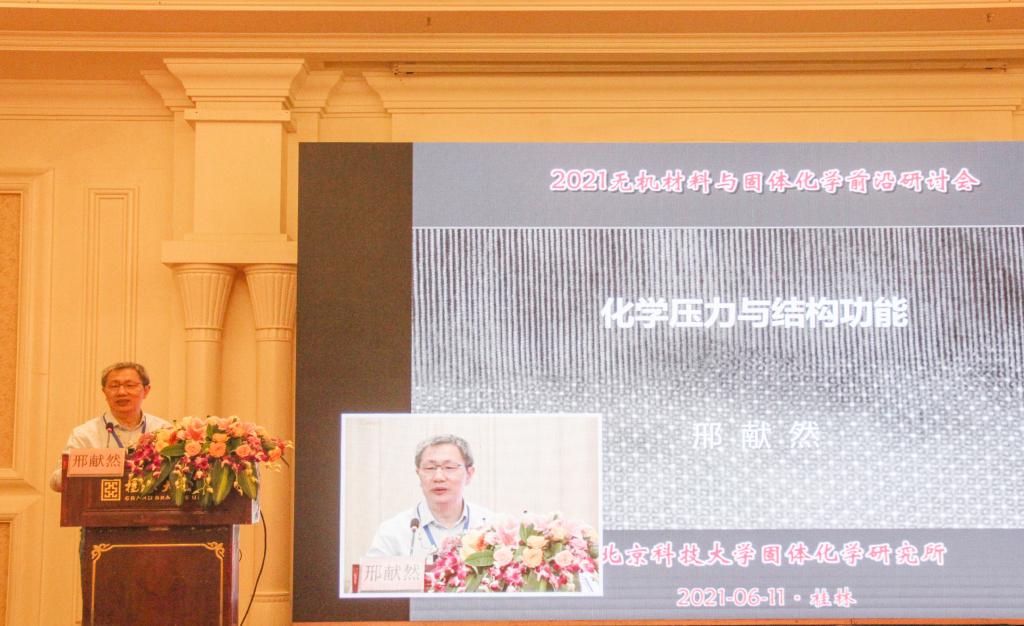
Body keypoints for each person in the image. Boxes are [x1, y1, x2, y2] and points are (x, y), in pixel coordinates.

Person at [365, 434, 493, 560]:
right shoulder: (393, 532)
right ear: (418, 474)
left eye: (449, 467)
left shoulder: (491, 527)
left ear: (469, 474)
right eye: (430, 468)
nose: (438, 477)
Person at [49, 361, 170, 492]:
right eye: (114, 386)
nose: (121, 392)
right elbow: (56, 481)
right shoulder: (85, 434)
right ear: (104, 392)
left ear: (146, 390)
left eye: (129, 385)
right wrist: (96, 465)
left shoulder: (163, 430)